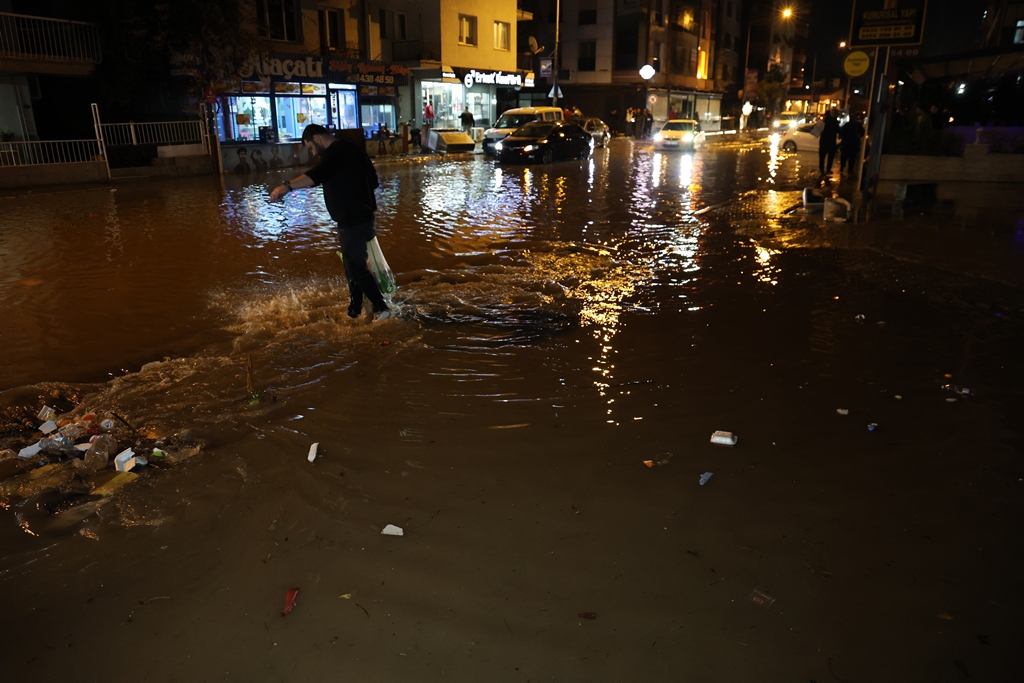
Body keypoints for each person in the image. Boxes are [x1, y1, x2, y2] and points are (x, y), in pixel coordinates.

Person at [269, 124, 390, 320]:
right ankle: (355, 308)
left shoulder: (334, 154)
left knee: (356, 267)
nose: (313, 152)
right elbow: (374, 181)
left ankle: (381, 307)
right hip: (364, 218)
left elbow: (315, 176)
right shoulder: (353, 149)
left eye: (311, 147)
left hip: (353, 221)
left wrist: (287, 187)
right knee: (351, 266)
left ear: (317, 138)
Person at [839, 112, 865, 177]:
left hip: (849, 144)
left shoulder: (849, 125)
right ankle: (847, 168)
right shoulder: (855, 126)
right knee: (849, 157)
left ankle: (845, 168)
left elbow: (842, 133)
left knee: (848, 157)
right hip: (851, 143)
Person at [817, 109, 840, 177]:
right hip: (830, 141)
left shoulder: (825, 121)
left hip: (825, 141)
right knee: (829, 156)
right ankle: (827, 170)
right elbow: (838, 131)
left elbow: (817, 131)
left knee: (823, 157)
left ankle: (822, 170)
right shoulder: (833, 122)